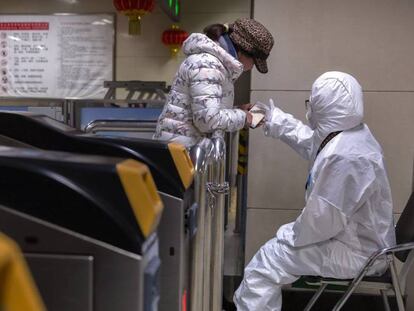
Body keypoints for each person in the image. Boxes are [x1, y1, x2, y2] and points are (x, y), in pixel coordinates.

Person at [234, 71, 396, 311]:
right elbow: (307, 140)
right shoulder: (351, 135)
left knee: (265, 265)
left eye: (313, 102)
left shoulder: (346, 156)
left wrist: (284, 236)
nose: (310, 108)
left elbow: (320, 223)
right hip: (356, 240)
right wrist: (262, 116)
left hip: (357, 252)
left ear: (324, 107)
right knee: (272, 255)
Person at [154, 18, 274, 148]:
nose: (251, 68)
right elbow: (207, 121)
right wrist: (244, 117)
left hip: (185, 147)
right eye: (255, 62)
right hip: (178, 154)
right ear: (243, 52)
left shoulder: (214, 64)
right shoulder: (208, 65)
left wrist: (238, 110)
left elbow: (204, 111)